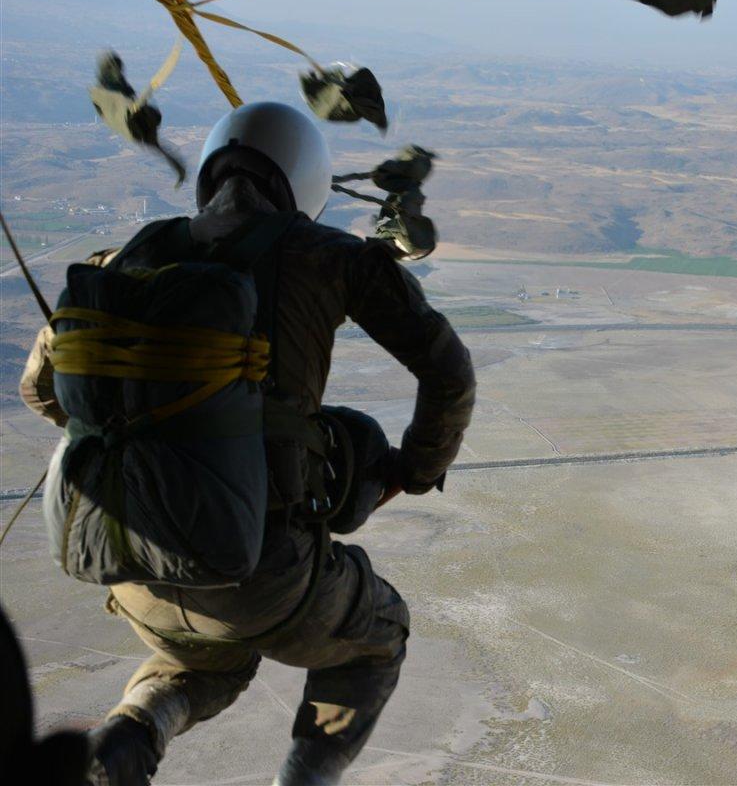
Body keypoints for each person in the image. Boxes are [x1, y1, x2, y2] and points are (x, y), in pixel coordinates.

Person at [19, 102, 475, 786]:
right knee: (378, 635)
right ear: (305, 180)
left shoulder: (127, 256)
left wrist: (149, 439)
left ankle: (130, 736)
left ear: (209, 169)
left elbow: (42, 391)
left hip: (129, 562)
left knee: (209, 660)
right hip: (266, 578)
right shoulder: (331, 257)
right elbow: (448, 372)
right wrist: (411, 471)